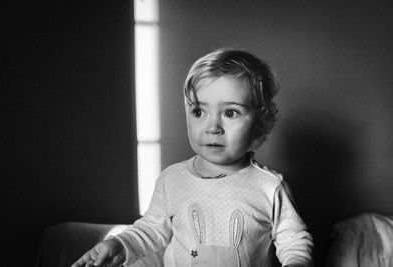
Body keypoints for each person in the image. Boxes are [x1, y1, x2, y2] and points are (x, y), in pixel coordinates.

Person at [72, 48, 313, 267]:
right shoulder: (172, 180)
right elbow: (152, 229)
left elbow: (293, 240)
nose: (212, 127)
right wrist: (118, 245)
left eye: (230, 112)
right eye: (199, 111)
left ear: (260, 125)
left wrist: (297, 262)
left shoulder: (269, 187)